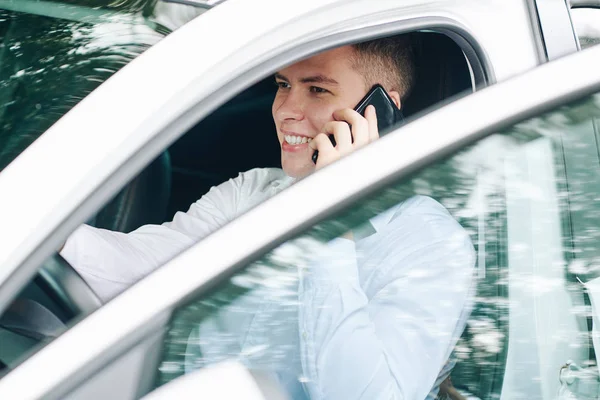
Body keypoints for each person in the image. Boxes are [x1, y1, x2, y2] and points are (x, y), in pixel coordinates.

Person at [61, 35, 475, 399]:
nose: (286, 110)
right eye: (283, 85)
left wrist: (334, 220)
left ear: (378, 112)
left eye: (317, 89)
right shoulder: (253, 191)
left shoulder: (430, 242)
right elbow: (127, 268)